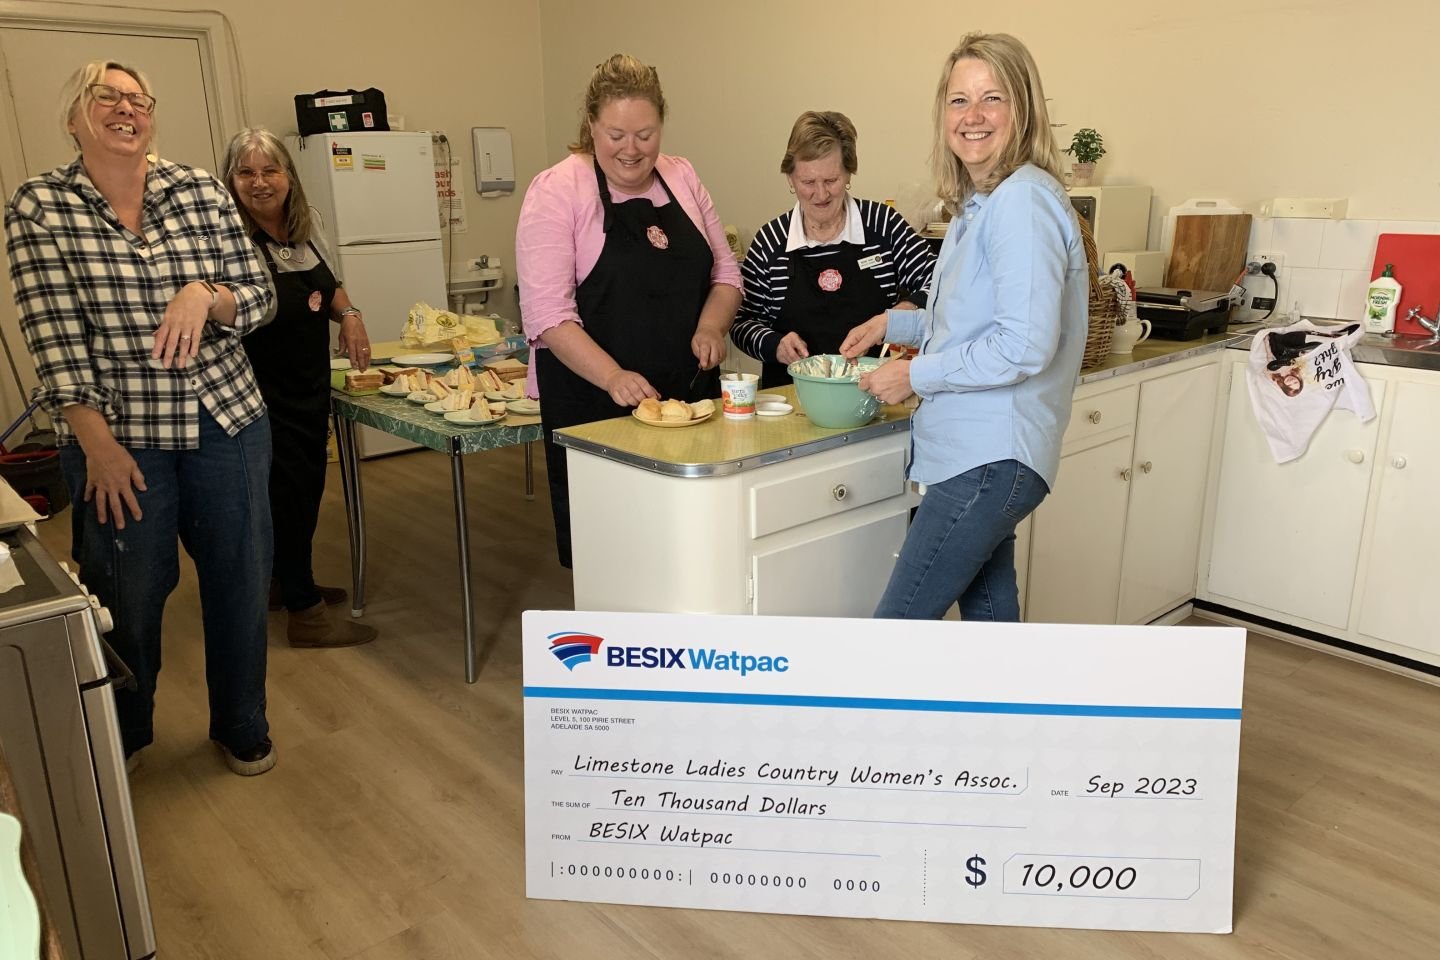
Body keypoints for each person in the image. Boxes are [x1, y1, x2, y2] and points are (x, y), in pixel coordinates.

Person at [5, 61, 278, 773]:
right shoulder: (40, 205)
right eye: (107, 97)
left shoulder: (198, 190)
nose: (126, 109)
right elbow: (53, 335)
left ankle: (242, 722)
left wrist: (204, 292)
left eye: (138, 99)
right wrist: (95, 445)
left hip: (228, 422)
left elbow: (258, 296)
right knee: (126, 596)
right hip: (120, 439)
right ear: (74, 117)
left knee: (240, 581)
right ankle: (122, 734)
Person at [839, 33, 1088, 621]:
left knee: (895, 629)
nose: (972, 116)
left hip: (987, 457)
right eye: (958, 101)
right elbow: (976, 318)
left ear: (1022, 108)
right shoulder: (984, 203)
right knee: (990, 628)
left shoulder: (1020, 204)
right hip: (984, 459)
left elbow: (1023, 344)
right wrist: (893, 321)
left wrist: (914, 375)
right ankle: (1011, 716)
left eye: (991, 98)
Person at [516, 54, 741, 567]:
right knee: (617, 557)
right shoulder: (557, 190)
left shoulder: (681, 176)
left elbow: (726, 273)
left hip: (688, 404)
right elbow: (548, 316)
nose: (632, 150)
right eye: (616, 134)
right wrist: (613, 376)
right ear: (591, 125)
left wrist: (711, 324)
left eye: (646, 133)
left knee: (694, 548)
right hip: (596, 409)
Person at [222, 128, 377, 648]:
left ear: (288, 176)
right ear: (230, 181)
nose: (260, 183)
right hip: (261, 393)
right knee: (286, 496)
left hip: (308, 386)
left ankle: (284, 583)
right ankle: (305, 613)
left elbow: (329, 286)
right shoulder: (229, 241)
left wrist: (350, 316)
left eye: (270, 171)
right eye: (246, 173)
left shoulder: (306, 230)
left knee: (304, 490)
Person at [731, 111, 936, 387]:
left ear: (849, 172)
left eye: (831, 180)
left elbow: (941, 282)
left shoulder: (883, 225)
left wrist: (898, 315)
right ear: (790, 178)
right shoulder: (771, 242)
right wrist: (774, 344)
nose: (821, 194)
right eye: (808, 182)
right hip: (791, 400)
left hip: (875, 393)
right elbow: (742, 322)